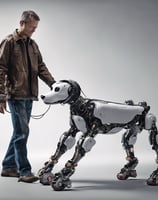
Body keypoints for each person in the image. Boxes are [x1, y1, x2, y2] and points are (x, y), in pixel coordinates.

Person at [0, 10, 55, 183]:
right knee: (22, 133)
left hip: (30, 95)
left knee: (20, 132)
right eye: (32, 27)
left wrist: (54, 85)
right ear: (22, 23)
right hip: (15, 95)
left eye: (36, 27)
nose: (34, 30)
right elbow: (0, 69)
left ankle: (9, 167)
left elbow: (41, 67)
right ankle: (24, 171)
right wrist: (1, 96)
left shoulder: (33, 45)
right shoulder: (9, 42)